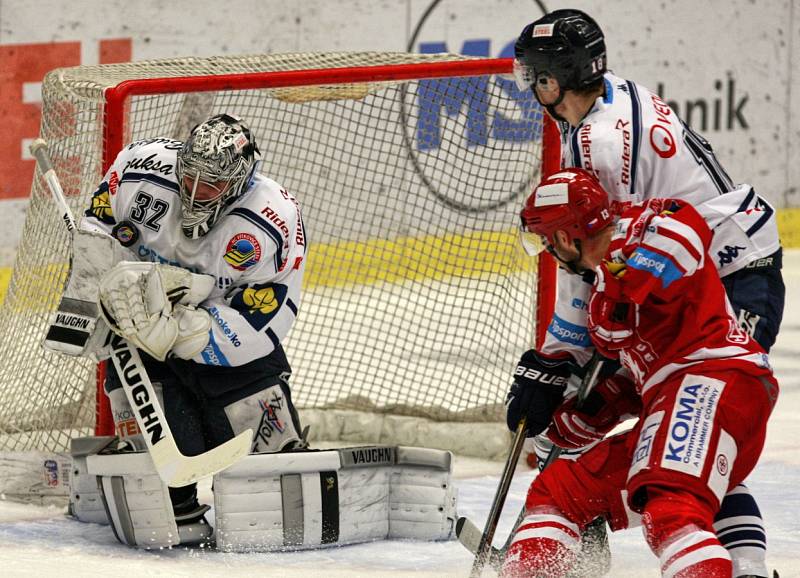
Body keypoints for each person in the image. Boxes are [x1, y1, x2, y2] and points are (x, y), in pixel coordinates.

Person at [506, 9, 784, 577]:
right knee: (699, 432)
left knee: (705, 416)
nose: (533, 88)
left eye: (538, 76)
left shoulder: (600, 141)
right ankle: (742, 563)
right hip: (713, 260)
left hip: (733, 269)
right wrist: (562, 358)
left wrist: (566, 356)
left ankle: (738, 564)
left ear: (561, 77)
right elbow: (602, 258)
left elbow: (600, 249)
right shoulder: (601, 100)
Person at [502, 168, 778, 578]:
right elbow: (647, 367)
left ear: (562, 238)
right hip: (685, 392)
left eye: (546, 241)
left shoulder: (643, 225)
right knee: (559, 490)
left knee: (673, 509)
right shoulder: (601, 285)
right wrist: (594, 410)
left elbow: (687, 230)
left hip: (715, 382)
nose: (549, 252)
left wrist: (628, 283)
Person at [81, 113, 307, 535]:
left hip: (226, 342)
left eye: (212, 184)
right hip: (139, 340)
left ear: (238, 181)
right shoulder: (138, 170)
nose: (196, 192)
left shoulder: (272, 222)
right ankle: (171, 501)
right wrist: (108, 299)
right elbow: (96, 233)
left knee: (273, 470)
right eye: (190, 178)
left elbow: (266, 317)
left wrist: (183, 331)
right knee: (157, 491)